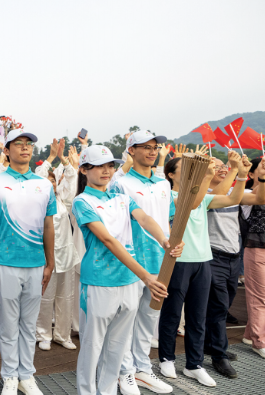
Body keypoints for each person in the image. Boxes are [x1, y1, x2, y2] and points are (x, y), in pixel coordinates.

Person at [72, 145, 180, 395]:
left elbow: (144, 218)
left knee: (118, 346)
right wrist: (146, 276)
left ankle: (108, 391)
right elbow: (109, 241)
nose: (106, 171)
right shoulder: (82, 201)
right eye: (99, 166)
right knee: (92, 346)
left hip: (128, 281)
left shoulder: (122, 197)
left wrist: (165, 240)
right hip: (100, 282)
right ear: (84, 170)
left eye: (110, 165)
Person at [158, 154, 250, 386]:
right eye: (185, 168)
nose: (191, 172)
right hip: (178, 261)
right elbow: (192, 203)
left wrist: (240, 174)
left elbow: (233, 198)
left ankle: (194, 364)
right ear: (170, 174)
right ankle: (166, 357)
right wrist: (207, 175)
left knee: (198, 316)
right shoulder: (168, 196)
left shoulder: (204, 196)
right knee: (172, 312)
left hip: (203, 260)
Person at [0, 129, 55, 395]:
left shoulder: (44, 184)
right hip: (6, 262)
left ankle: (27, 375)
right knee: (9, 324)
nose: (25, 149)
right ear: (7, 150)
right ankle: (10, 376)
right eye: (18, 144)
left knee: (29, 323)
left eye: (29, 145)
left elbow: (49, 226)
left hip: (36, 263)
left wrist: (50, 262)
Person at [106, 131, 175, 395]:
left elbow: (169, 219)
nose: (151, 151)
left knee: (149, 318)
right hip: (132, 262)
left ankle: (142, 369)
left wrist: (173, 242)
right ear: (131, 151)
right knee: (126, 319)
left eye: (155, 147)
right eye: (144, 147)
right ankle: (124, 373)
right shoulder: (119, 184)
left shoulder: (163, 184)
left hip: (160, 260)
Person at [204, 155, 265, 377]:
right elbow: (223, 194)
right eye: (218, 167)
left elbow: (261, 199)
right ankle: (219, 355)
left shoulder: (234, 194)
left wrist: (262, 178)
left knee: (224, 303)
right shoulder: (205, 194)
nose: (224, 169)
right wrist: (237, 171)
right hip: (213, 256)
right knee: (220, 306)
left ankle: (210, 344)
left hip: (234, 257)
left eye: (225, 166)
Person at [34, 141, 81, 353]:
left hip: (67, 255)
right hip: (46, 257)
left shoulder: (64, 201)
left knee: (66, 296)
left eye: (54, 181)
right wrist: (50, 158)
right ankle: (43, 334)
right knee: (45, 296)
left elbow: (72, 179)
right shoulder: (38, 202)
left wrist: (64, 161)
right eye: (47, 181)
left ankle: (63, 334)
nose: (51, 184)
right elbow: (37, 175)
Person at [239, 157, 265, 360]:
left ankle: (250, 333)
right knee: (261, 297)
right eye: (260, 168)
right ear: (250, 174)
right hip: (257, 249)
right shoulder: (246, 193)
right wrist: (262, 178)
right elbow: (259, 196)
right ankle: (261, 341)